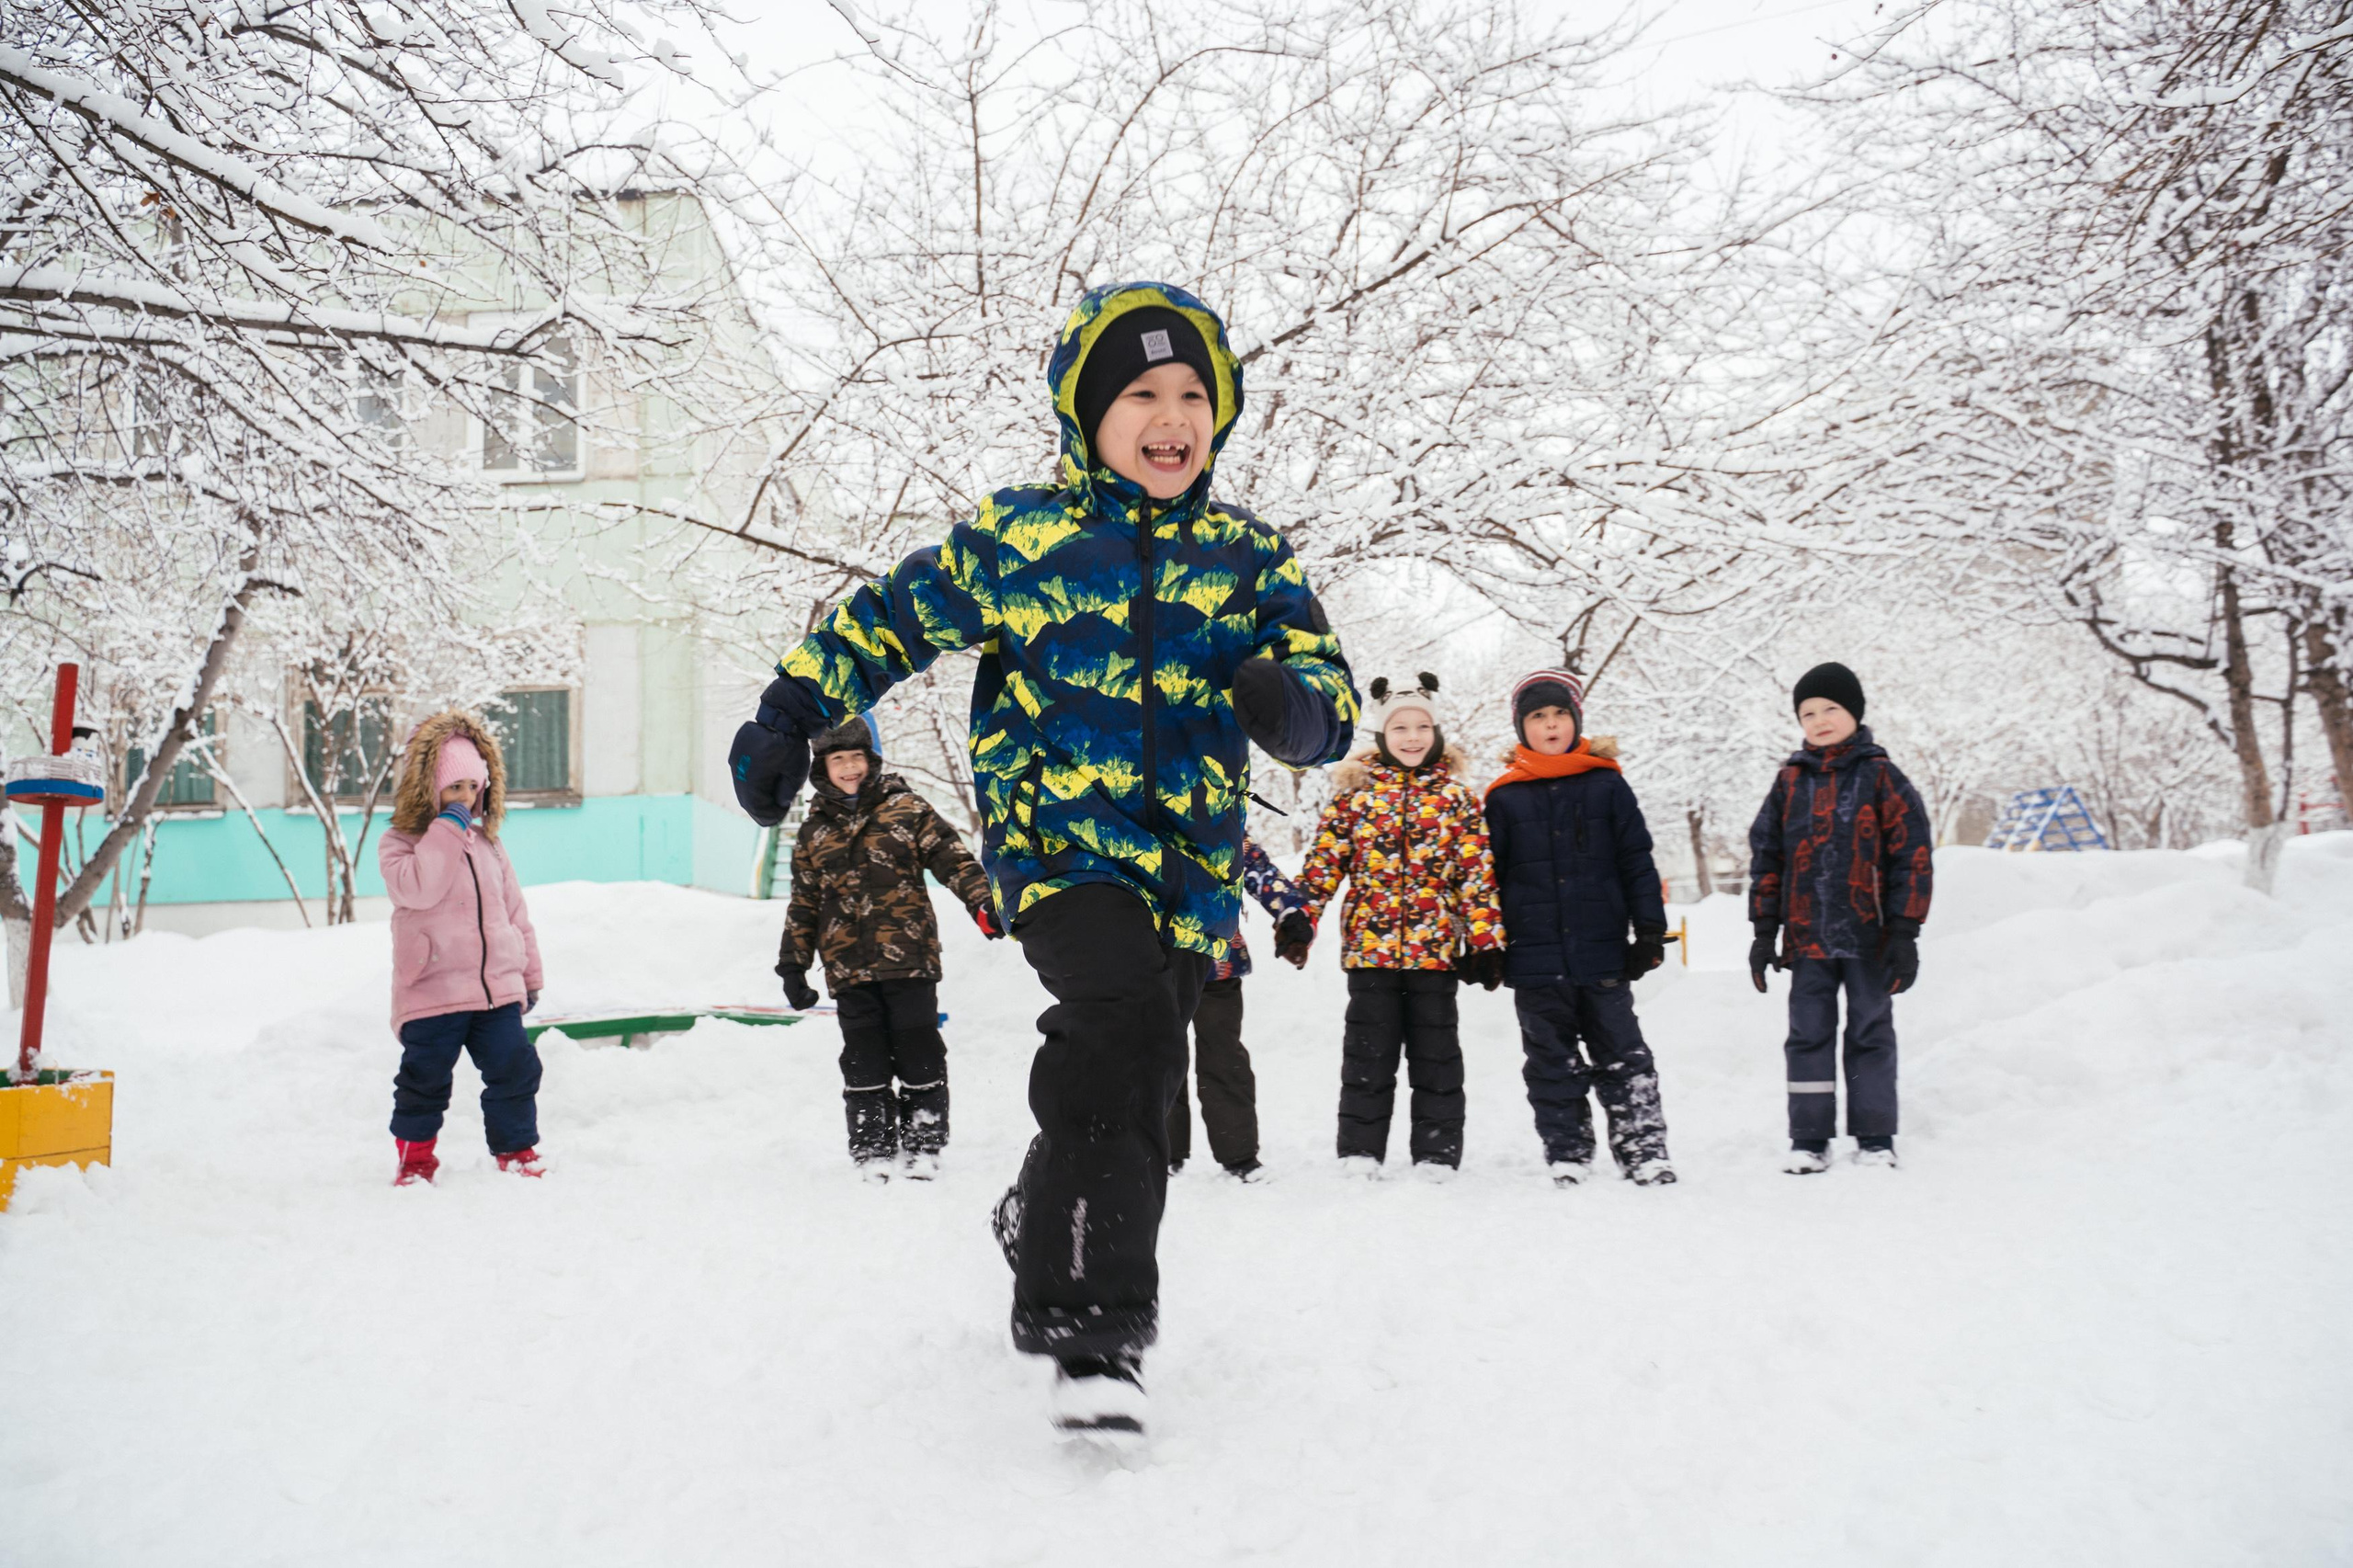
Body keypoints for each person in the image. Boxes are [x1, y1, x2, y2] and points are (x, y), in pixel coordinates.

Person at [725, 282, 1358, 1443]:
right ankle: (1091, 1324)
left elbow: (1331, 699)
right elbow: (886, 621)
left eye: (1191, 397)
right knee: (1117, 1024)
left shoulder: (1248, 554)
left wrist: (1293, 709)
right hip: (1062, 852)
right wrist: (786, 713)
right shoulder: (1022, 539)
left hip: (1191, 876)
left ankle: (1041, 1208)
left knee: (1143, 1071)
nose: (1171, 418)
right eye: (1141, 395)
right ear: (1086, 415)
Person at [1293, 674, 1506, 1175]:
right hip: (1371, 952)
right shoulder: (1356, 796)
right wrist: (1299, 919)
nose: (1412, 737)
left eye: (1422, 727)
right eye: (1400, 728)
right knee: (1368, 1058)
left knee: (1437, 1057)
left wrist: (1486, 943)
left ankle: (1436, 1152)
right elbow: (1323, 865)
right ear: (1381, 737)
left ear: (1437, 733)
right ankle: (1361, 1152)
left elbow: (1476, 876)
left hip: (1434, 953)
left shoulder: (1457, 800)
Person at [776, 717, 999, 1181]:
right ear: (824, 767)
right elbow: (804, 902)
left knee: (918, 1047)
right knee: (863, 1056)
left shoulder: (906, 808)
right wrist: (793, 966)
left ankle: (924, 1144)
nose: (850, 768)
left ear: (871, 760)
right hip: (848, 966)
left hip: (909, 957)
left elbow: (951, 857)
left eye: (857, 757)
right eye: (839, 760)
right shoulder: (813, 831)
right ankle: (873, 1148)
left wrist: (982, 902)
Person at [1483, 669, 1677, 1187]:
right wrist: (1487, 944)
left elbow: (1637, 861)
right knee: (1550, 1061)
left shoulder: (1606, 783)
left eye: (1560, 715)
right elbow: (1486, 878)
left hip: (1603, 952)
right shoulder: (1504, 798)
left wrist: (1650, 933)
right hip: (1534, 957)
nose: (1551, 726)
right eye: (1538, 717)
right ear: (1522, 727)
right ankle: (1567, 1150)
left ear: (1577, 720)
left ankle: (1644, 1150)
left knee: (1623, 1054)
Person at [1747, 662, 1934, 1174]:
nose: (1820, 719)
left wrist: (1904, 929)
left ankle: (1875, 1137)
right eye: (1808, 712)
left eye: (1831, 708)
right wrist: (1765, 931)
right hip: (1806, 939)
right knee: (1807, 1035)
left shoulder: (1881, 776)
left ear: (1855, 712)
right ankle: (1809, 1138)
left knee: (1871, 1032)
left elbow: (1912, 855)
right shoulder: (1789, 782)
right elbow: (1767, 857)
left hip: (1869, 937)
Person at [378, 712, 546, 1187]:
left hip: (494, 991)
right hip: (432, 990)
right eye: (455, 788)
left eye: (474, 786)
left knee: (516, 1068)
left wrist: (528, 976)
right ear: (426, 787)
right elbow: (420, 889)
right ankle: (415, 1160)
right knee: (424, 1080)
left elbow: (515, 913)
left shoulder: (489, 844)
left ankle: (516, 1149)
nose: (466, 799)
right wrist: (446, 828)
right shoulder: (399, 843)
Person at [1166, 836, 1314, 1182]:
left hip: (1216, 961)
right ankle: (1159, 1149)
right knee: (1157, 1054)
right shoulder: (1135, 810)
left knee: (1223, 1056)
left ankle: (1239, 1155)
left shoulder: (1214, 809)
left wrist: (1291, 913)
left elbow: (1257, 867)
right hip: (1155, 961)